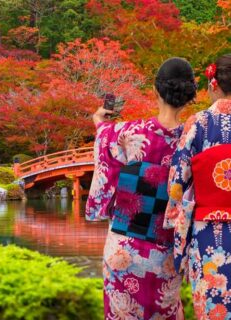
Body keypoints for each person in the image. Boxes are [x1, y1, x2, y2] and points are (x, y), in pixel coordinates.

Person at [86, 57, 197, 319]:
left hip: (125, 246)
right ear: (189, 96)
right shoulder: (193, 139)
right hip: (166, 250)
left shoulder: (129, 132)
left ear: (156, 91)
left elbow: (105, 144)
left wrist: (100, 123)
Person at [165, 54, 231, 319]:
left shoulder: (199, 123)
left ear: (213, 84)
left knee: (211, 305)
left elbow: (176, 184)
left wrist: (175, 223)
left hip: (209, 234)